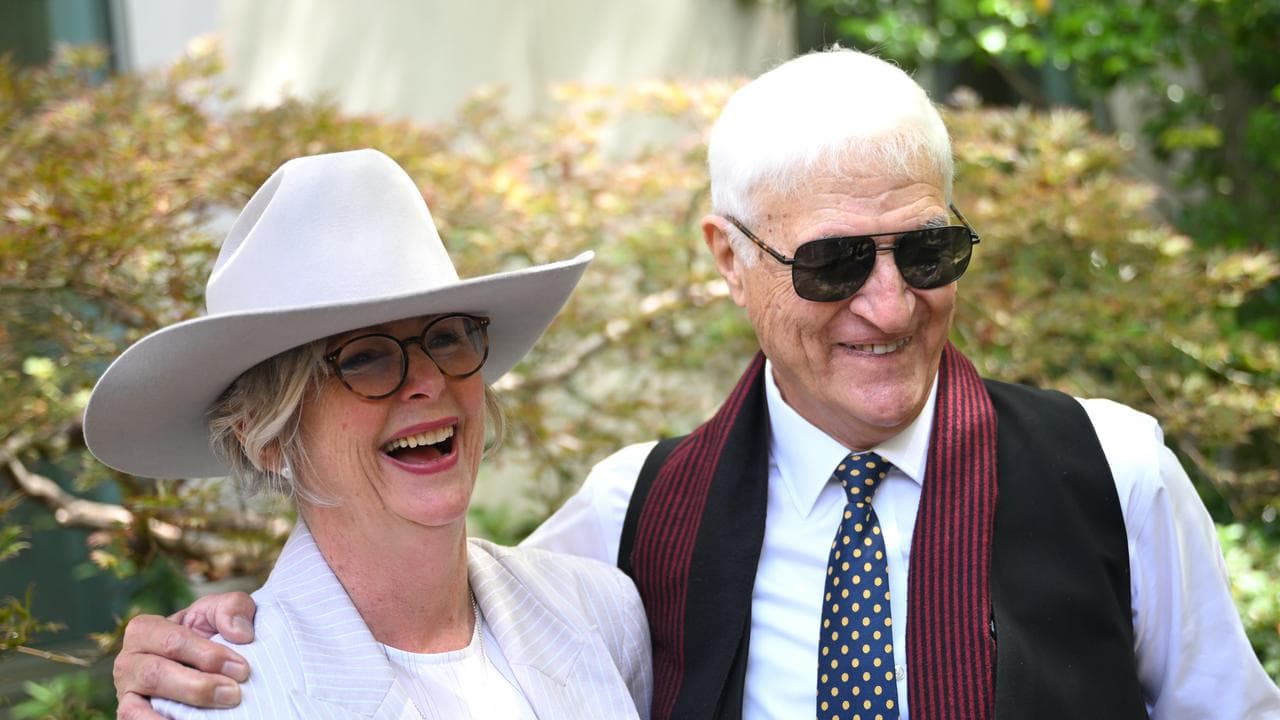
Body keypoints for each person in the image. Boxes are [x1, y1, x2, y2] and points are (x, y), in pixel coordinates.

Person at [111, 49, 1280, 720]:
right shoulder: (629, 525)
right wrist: (177, 651)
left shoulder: (1111, 471)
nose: (889, 305)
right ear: (727, 258)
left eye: (925, 251)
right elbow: (398, 604)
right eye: (831, 263)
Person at [85, 148, 651, 719]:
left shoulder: (601, 612)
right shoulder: (220, 697)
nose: (429, 381)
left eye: (448, 337)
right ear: (263, 434)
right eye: (363, 358)